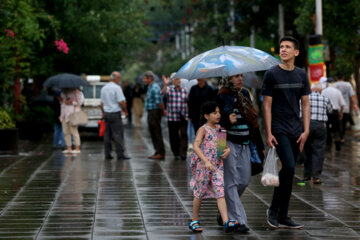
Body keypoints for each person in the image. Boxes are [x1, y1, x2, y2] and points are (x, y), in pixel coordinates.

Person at [262, 36, 310, 229]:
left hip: (296, 129)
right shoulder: (271, 74)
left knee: (290, 174)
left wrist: (306, 130)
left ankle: (283, 215)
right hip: (279, 128)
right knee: (289, 167)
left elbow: (305, 104)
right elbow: (267, 104)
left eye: (287, 47)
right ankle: (273, 210)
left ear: (296, 52)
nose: (283, 50)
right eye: (281, 47)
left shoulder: (301, 75)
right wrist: (268, 132)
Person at [217, 73, 264, 232]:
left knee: (244, 180)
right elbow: (215, 123)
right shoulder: (221, 96)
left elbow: (253, 120)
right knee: (230, 182)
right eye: (236, 76)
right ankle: (239, 220)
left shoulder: (244, 94)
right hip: (228, 144)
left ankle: (224, 208)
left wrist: (260, 145)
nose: (240, 79)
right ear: (227, 79)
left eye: (241, 76)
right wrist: (225, 120)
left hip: (246, 143)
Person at [189, 101, 238, 233]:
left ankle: (226, 220)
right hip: (203, 167)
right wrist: (205, 161)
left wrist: (227, 151)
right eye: (214, 113)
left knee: (220, 191)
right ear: (206, 116)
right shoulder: (203, 129)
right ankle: (194, 220)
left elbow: (224, 147)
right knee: (199, 192)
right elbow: (196, 146)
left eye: (219, 112)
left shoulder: (220, 129)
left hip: (216, 167)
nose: (218, 115)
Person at [303, 82, 332, 184]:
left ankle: (306, 175)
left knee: (307, 149)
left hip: (307, 125)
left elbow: (300, 113)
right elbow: (330, 110)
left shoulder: (305, 98)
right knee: (319, 150)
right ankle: (316, 176)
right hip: (320, 126)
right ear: (320, 90)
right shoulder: (325, 99)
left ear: (311, 90)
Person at [100, 71, 130, 160]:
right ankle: (120, 154)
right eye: (119, 78)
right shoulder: (117, 88)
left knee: (107, 134)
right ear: (116, 78)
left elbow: (101, 104)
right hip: (115, 114)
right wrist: (126, 110)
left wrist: (103, 112)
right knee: (118, 134)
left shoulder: (104, 88)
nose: (120, 80)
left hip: (107, 114)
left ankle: (107, 153)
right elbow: (121, 102)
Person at [162, 73, 188, 160]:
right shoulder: (169, 89)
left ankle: (183, 153)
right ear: (172, 81)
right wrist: (165, 84)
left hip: (183, 116)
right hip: (172, 117)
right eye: (176, 79)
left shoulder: (185, 90)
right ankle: (176, 153)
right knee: (174, 136)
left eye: (179, 79)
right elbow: (162, 93)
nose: (178, 80)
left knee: (184, 134)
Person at [143, 70, 165, 160]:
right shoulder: (149, 87)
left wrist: (163, 111)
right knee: (152, 132)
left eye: (145, 79)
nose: (144, 80)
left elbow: (159, 102)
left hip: (154, 112)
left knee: (156, 132)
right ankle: (157, 151)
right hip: (151, 111)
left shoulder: (155, 87)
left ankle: (161, 152)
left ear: (150, 79)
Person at [321, 77, 345, 150]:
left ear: (327, 83)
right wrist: (341, 113)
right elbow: (342, 104)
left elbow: (322, 103)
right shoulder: (337, 91)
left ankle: (328, 144)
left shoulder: (324, 91)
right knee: (336, 128)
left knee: (327, 128)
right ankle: (337, 144)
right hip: (335, 112)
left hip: (327, 112)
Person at [334, 72, 359, 143]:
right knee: (344, 123)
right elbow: (352, 95)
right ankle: (342, 137)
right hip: (346, 107)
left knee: (338, 123)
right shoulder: (348, 85)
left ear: (336, 78)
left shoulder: (334, 85)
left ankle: (340, 136)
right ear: (343, 77)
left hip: (337, 107)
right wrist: (354, 104)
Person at [60, 88, 83, 154]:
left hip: (73, 114)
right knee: (66, 132)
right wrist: (62, 100)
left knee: (74, 131)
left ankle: (77, 148)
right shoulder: (64, 91)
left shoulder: (76, 91)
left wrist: (72, 102)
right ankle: (69, 148)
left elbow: (80, 102)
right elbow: (62, 102)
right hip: (64, 113)